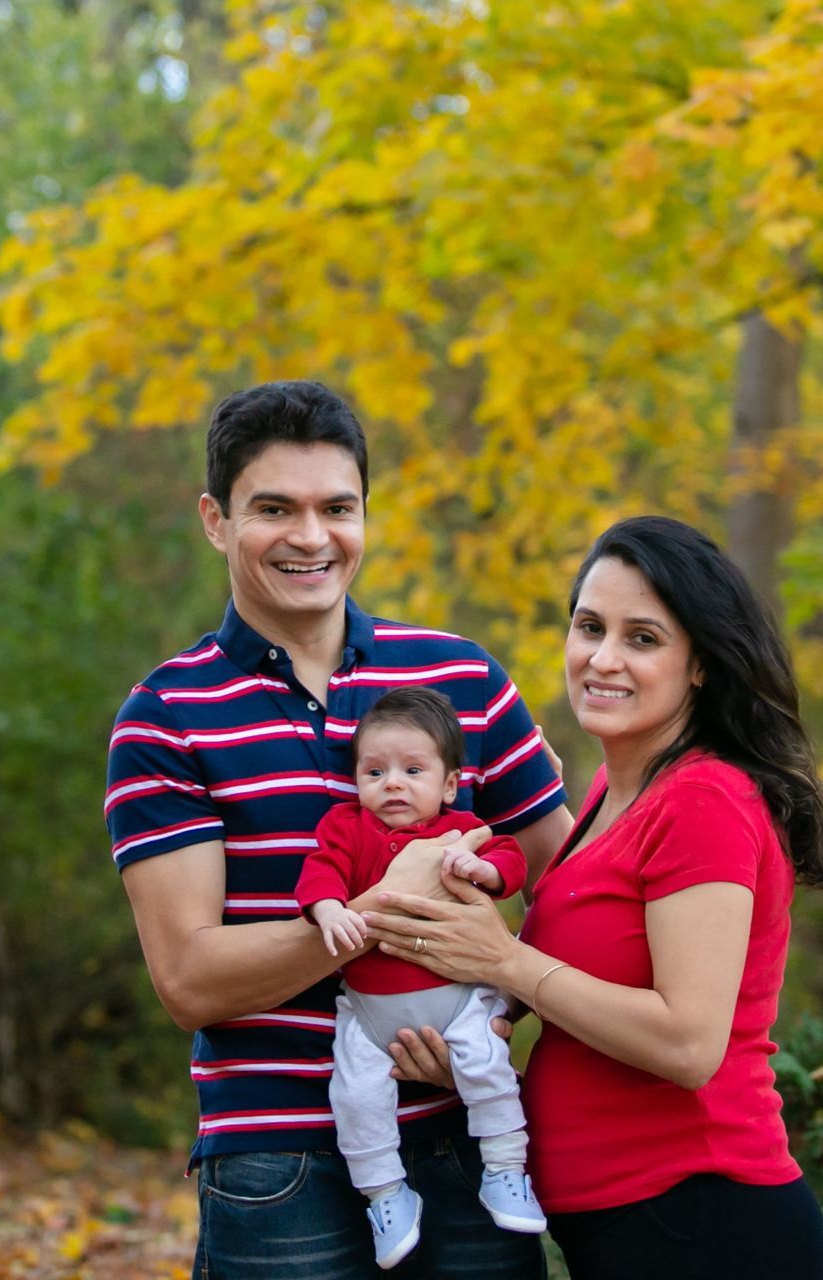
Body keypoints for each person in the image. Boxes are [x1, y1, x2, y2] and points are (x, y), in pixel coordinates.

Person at [104, 380, 571, 1278]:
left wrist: (494, 1010)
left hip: (465, 1140)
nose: (312, 537)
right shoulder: (167, 716)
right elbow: (191, 981)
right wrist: (380, 911)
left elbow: (571, 888)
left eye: (337, 508)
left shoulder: (463, 678)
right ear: (215, 519)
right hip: (278, 1157)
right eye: (274, 508)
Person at [365, 515, 823, 1280]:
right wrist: (469, 1053)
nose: (603, 658)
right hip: (628, 1228)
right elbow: (592, 1033)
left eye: (643, 638)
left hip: (702, 1220)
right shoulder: (606, 797)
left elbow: (688, 1045)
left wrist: (506, 961)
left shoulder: (703, 801)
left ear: (700, 664)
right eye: (589, 626)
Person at [296, 687, 547, 1269]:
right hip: (369, 1009)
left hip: (457, 1002)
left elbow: (512, 860)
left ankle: (506, 1171)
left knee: (488, 1065)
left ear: (450, 783)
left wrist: (482, 868)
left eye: (412, 770)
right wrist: (330, 909)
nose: (393, 784)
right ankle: (386, 1195)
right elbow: (319, 874)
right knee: (355, 1095)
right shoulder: (345, 828)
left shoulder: (460, 830)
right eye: (375, 771)